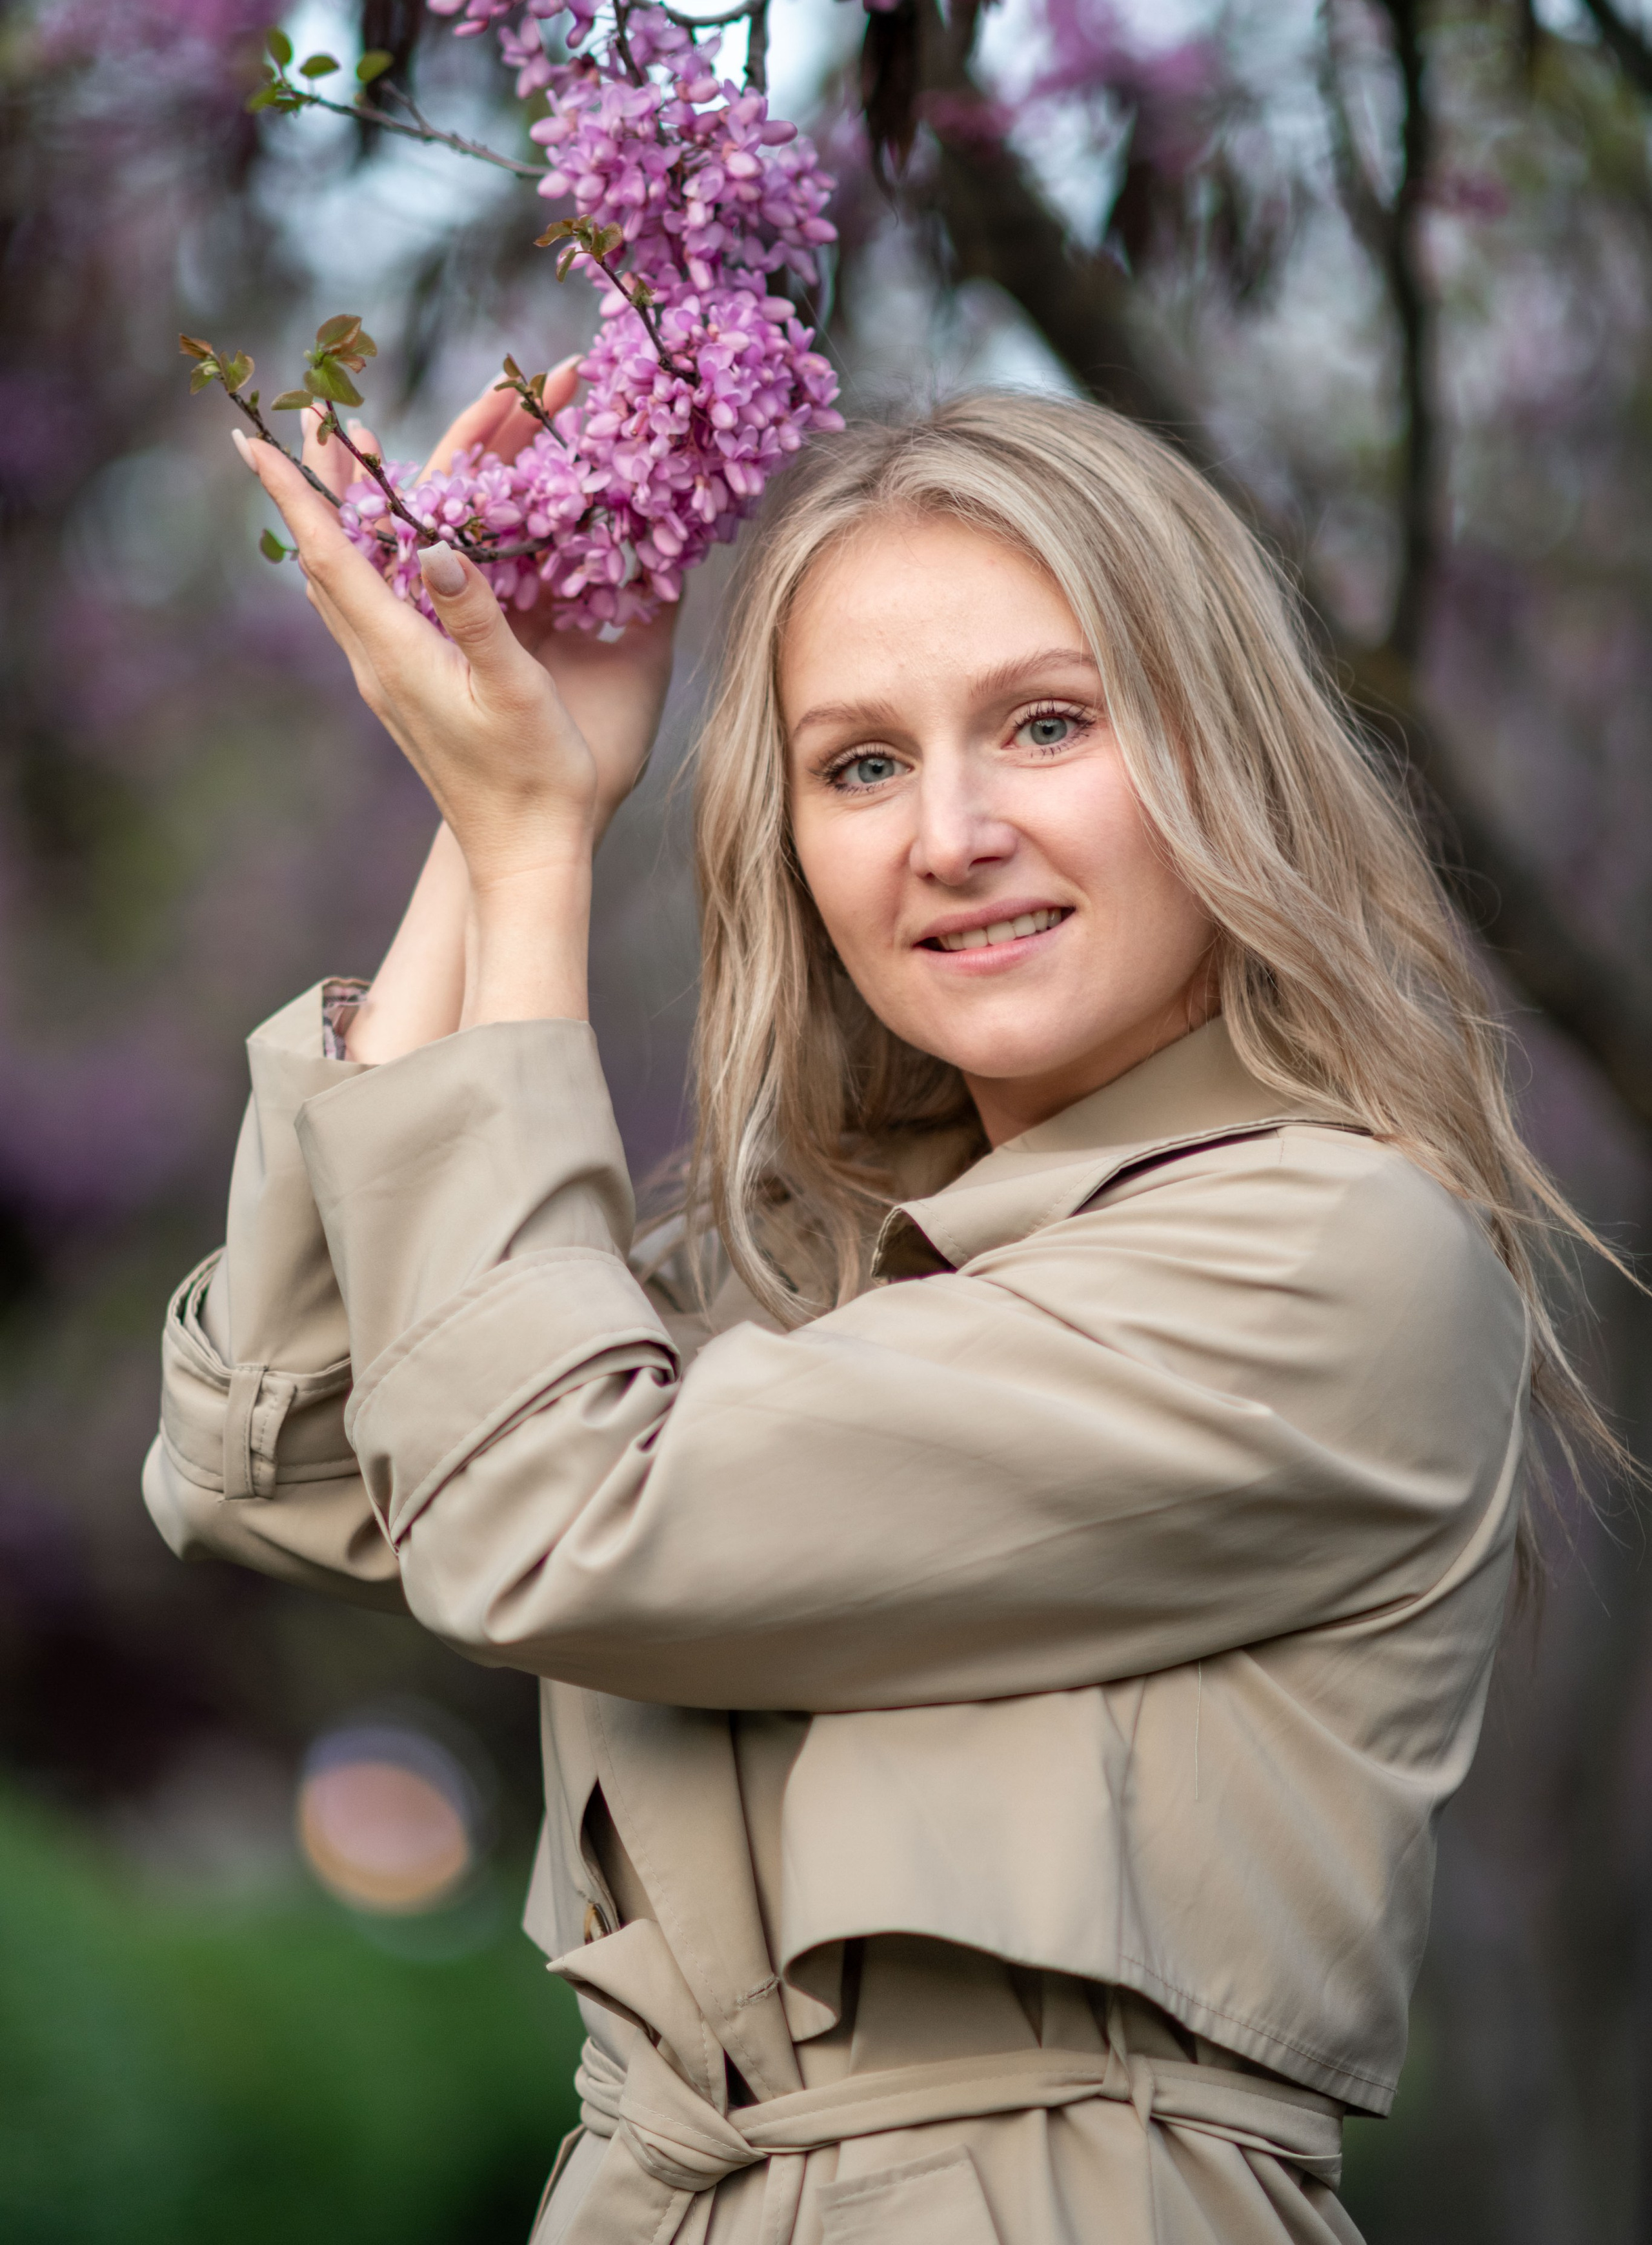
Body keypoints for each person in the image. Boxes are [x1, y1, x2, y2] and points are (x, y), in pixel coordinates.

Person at [143, 376, 1613, 2245]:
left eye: (1048, 724)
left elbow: (550, 1523)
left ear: (1224, 752)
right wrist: (508, 798)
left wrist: (531, 860)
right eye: (859, 766)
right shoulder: (811, 1268)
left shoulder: (1331, 1250)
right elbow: (281, 1454)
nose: (953, 834)